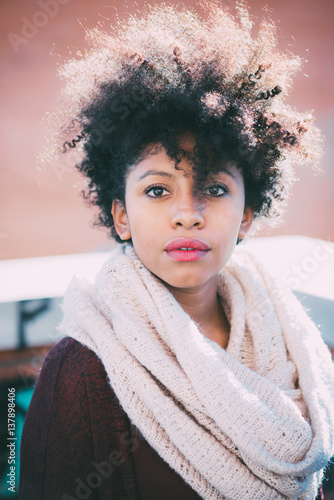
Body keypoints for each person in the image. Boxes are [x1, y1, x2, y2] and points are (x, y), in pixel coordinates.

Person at [19, 2, 334, 499]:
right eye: (158, 191)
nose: (188, 214)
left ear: (247, 214)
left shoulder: (299, 352)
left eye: (212, 187)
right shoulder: (82, 374)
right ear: (121, 215)